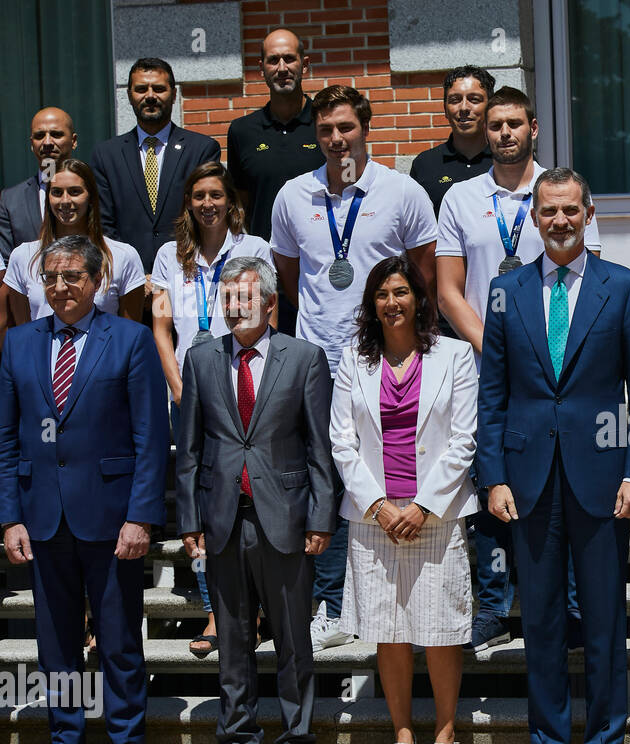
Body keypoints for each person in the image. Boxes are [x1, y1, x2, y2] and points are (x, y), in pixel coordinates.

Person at [478, 167, 630, 744]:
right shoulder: (506, 291)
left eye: (569, 211)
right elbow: (492, 394)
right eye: (548, 211)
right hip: (527, 478)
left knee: (605, 619)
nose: (559, 221)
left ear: (588, 213)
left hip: (603, 476)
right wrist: (493, 476)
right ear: (533, 216)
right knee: (543, 620)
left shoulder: (625, 287)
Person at [271, 84, 440, 652]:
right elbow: (291, 277)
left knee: (386, 467)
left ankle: (399, 592)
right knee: (327, 473)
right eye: (325, 131)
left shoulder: (403, 192)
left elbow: (421, 275)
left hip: (385, 355)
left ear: (365, 127)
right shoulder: (294, 195)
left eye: (345, 127)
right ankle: (329, 602)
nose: (336, 139)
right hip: (318, 357)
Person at [0, 235, 169, 744]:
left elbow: (150, 435)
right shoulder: (19, 343)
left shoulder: (131, 339)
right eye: (51, 277)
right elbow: (5, 440)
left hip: (112, 515)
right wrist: (10, 517)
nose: (61, 286)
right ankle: (66, 743)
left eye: (73, 276)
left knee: (119, 637)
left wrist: (142, 516)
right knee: (56, 643)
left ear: (98, 281)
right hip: (43, 517)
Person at [436, 86, 601, 651]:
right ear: (484, 132)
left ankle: (574, 608)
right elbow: (450, 292)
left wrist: (532, 353)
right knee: (491, 481)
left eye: (514, 123)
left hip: (555, 368)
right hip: (483, 362)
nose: (504, 133)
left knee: (562, 479)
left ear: (534, 126)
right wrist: (497, 348)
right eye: (495, 124)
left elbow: (588, 271)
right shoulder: (460, 198)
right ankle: (492, 604)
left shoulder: (560, 192)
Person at [175, 256, 335, 744]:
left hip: (286, 518)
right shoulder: (200, 359)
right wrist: (189, 518)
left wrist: (320, 516)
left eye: (244, 298)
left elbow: (319, 447)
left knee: (293, 640)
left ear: (270, 303)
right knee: (234, 641)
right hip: (223, 518)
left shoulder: (305, 358)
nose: (234, 308)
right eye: (226, 299)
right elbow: (191, 449)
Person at [331, 255, 478, 744]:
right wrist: (379, 505)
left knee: (439, 630)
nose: (392, 303)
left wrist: (422, 506)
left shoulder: (455, 357)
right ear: (371, 305)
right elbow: (341, 442)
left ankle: (443, 735)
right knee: (387, 631)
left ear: (419, 298)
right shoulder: (353, 359)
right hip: (375, 519)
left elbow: (463, 440)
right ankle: (402, 736)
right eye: (382, 295)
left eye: (401, 292)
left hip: (434, 517)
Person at [152, 161, 273, 656]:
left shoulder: (254, 250)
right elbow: (161, 327)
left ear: (230, 202)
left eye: (216, 195)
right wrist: (179, 387)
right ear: (188, 203)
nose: (207, 203)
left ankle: (261, 608)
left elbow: (271, 317)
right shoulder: (166, 256)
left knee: (251, 496)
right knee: (204, 503)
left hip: (243, 389)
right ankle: (215, 612)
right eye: (198, 195)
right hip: (189, 392)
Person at [227, 29, 323, 338]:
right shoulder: (242, 132)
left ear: (304, 64)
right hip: (264, 275)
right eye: (273, 60)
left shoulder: (325, 126)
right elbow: (239, 205)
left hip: (317, 270)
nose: (282, 67)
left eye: (289, 58)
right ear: (262, 69)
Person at [90, 57, 221, 274]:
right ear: (129, 96)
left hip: (188, 275)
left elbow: (208, 216)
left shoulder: (202, 149)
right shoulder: (106, 155)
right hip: (127, 281)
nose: (150, 96)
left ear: (174, 94)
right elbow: (103, 225)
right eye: (141, 89)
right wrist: (134, 275)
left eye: (159, 89)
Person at [4, 159, 146, 328]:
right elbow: (25, 333)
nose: (65, 200)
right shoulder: (23, 256)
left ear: (91, 197)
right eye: (56, 192)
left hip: (104, 354)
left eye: (74, 192)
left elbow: (128, 335)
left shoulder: (122, 256)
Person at [410, 65, 496, 217]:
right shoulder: (425, 164)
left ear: (490, 107)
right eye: (455, 100)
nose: (464, 107)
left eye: (474, 99)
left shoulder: (508, 160)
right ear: (445, 109)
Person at [0, 108, 77, 260]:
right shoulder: (10, 200)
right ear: (31, 144)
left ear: (73, 141)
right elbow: (7, 263)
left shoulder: (96, 191)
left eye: (56, 134)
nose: (47, 142)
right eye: (39, 136)